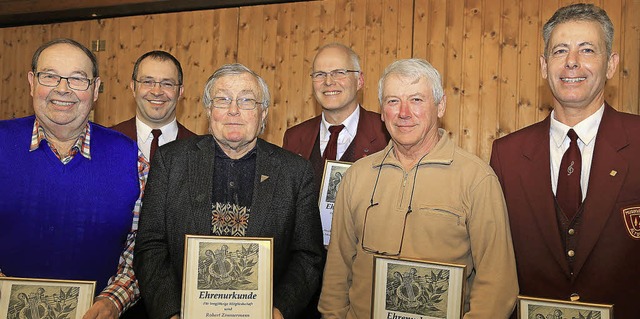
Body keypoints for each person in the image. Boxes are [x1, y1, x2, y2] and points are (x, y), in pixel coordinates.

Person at [319, 58, 518, 318]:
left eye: (416, 100)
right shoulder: (356, 176)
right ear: (381, 111)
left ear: (441, 106)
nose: (403, 112)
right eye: (392, 101)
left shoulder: (476, 179)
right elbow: (338, 270)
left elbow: (497, 286)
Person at [133, 63, 325, 319]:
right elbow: (150, 246)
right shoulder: (171, 161)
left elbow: (307, 255)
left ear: (263, 112)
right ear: (209, 110)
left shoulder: (295, 172)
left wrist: (279, 310)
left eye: (247, 100)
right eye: (222, 100)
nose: (233, 110)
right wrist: (171, 312)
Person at [489, 3, 640, 318]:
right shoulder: (507, 154)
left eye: (587, 50)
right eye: (560, 51)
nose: (572, 62)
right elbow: (495, 263)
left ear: (611, 65)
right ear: (544, 66)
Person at [0, 38, 141, 319]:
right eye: (50, 76)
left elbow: (141, 248)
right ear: (31, 82)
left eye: (78, 79)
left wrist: (112, 302)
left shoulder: (131, 158)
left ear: (96, 89)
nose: (62, 89)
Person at [282, 43, 389, 193]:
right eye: (320, 74)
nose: (328, 81)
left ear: (360, 80)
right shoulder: (294, 138)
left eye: (339, 72)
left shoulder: (386, 132)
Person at [112, 50, 196, 162]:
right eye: (147, 82)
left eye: (167, 84)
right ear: (133, 87)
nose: (157, 92)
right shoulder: (106, 141)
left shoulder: (200, 151)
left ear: (180, 91)